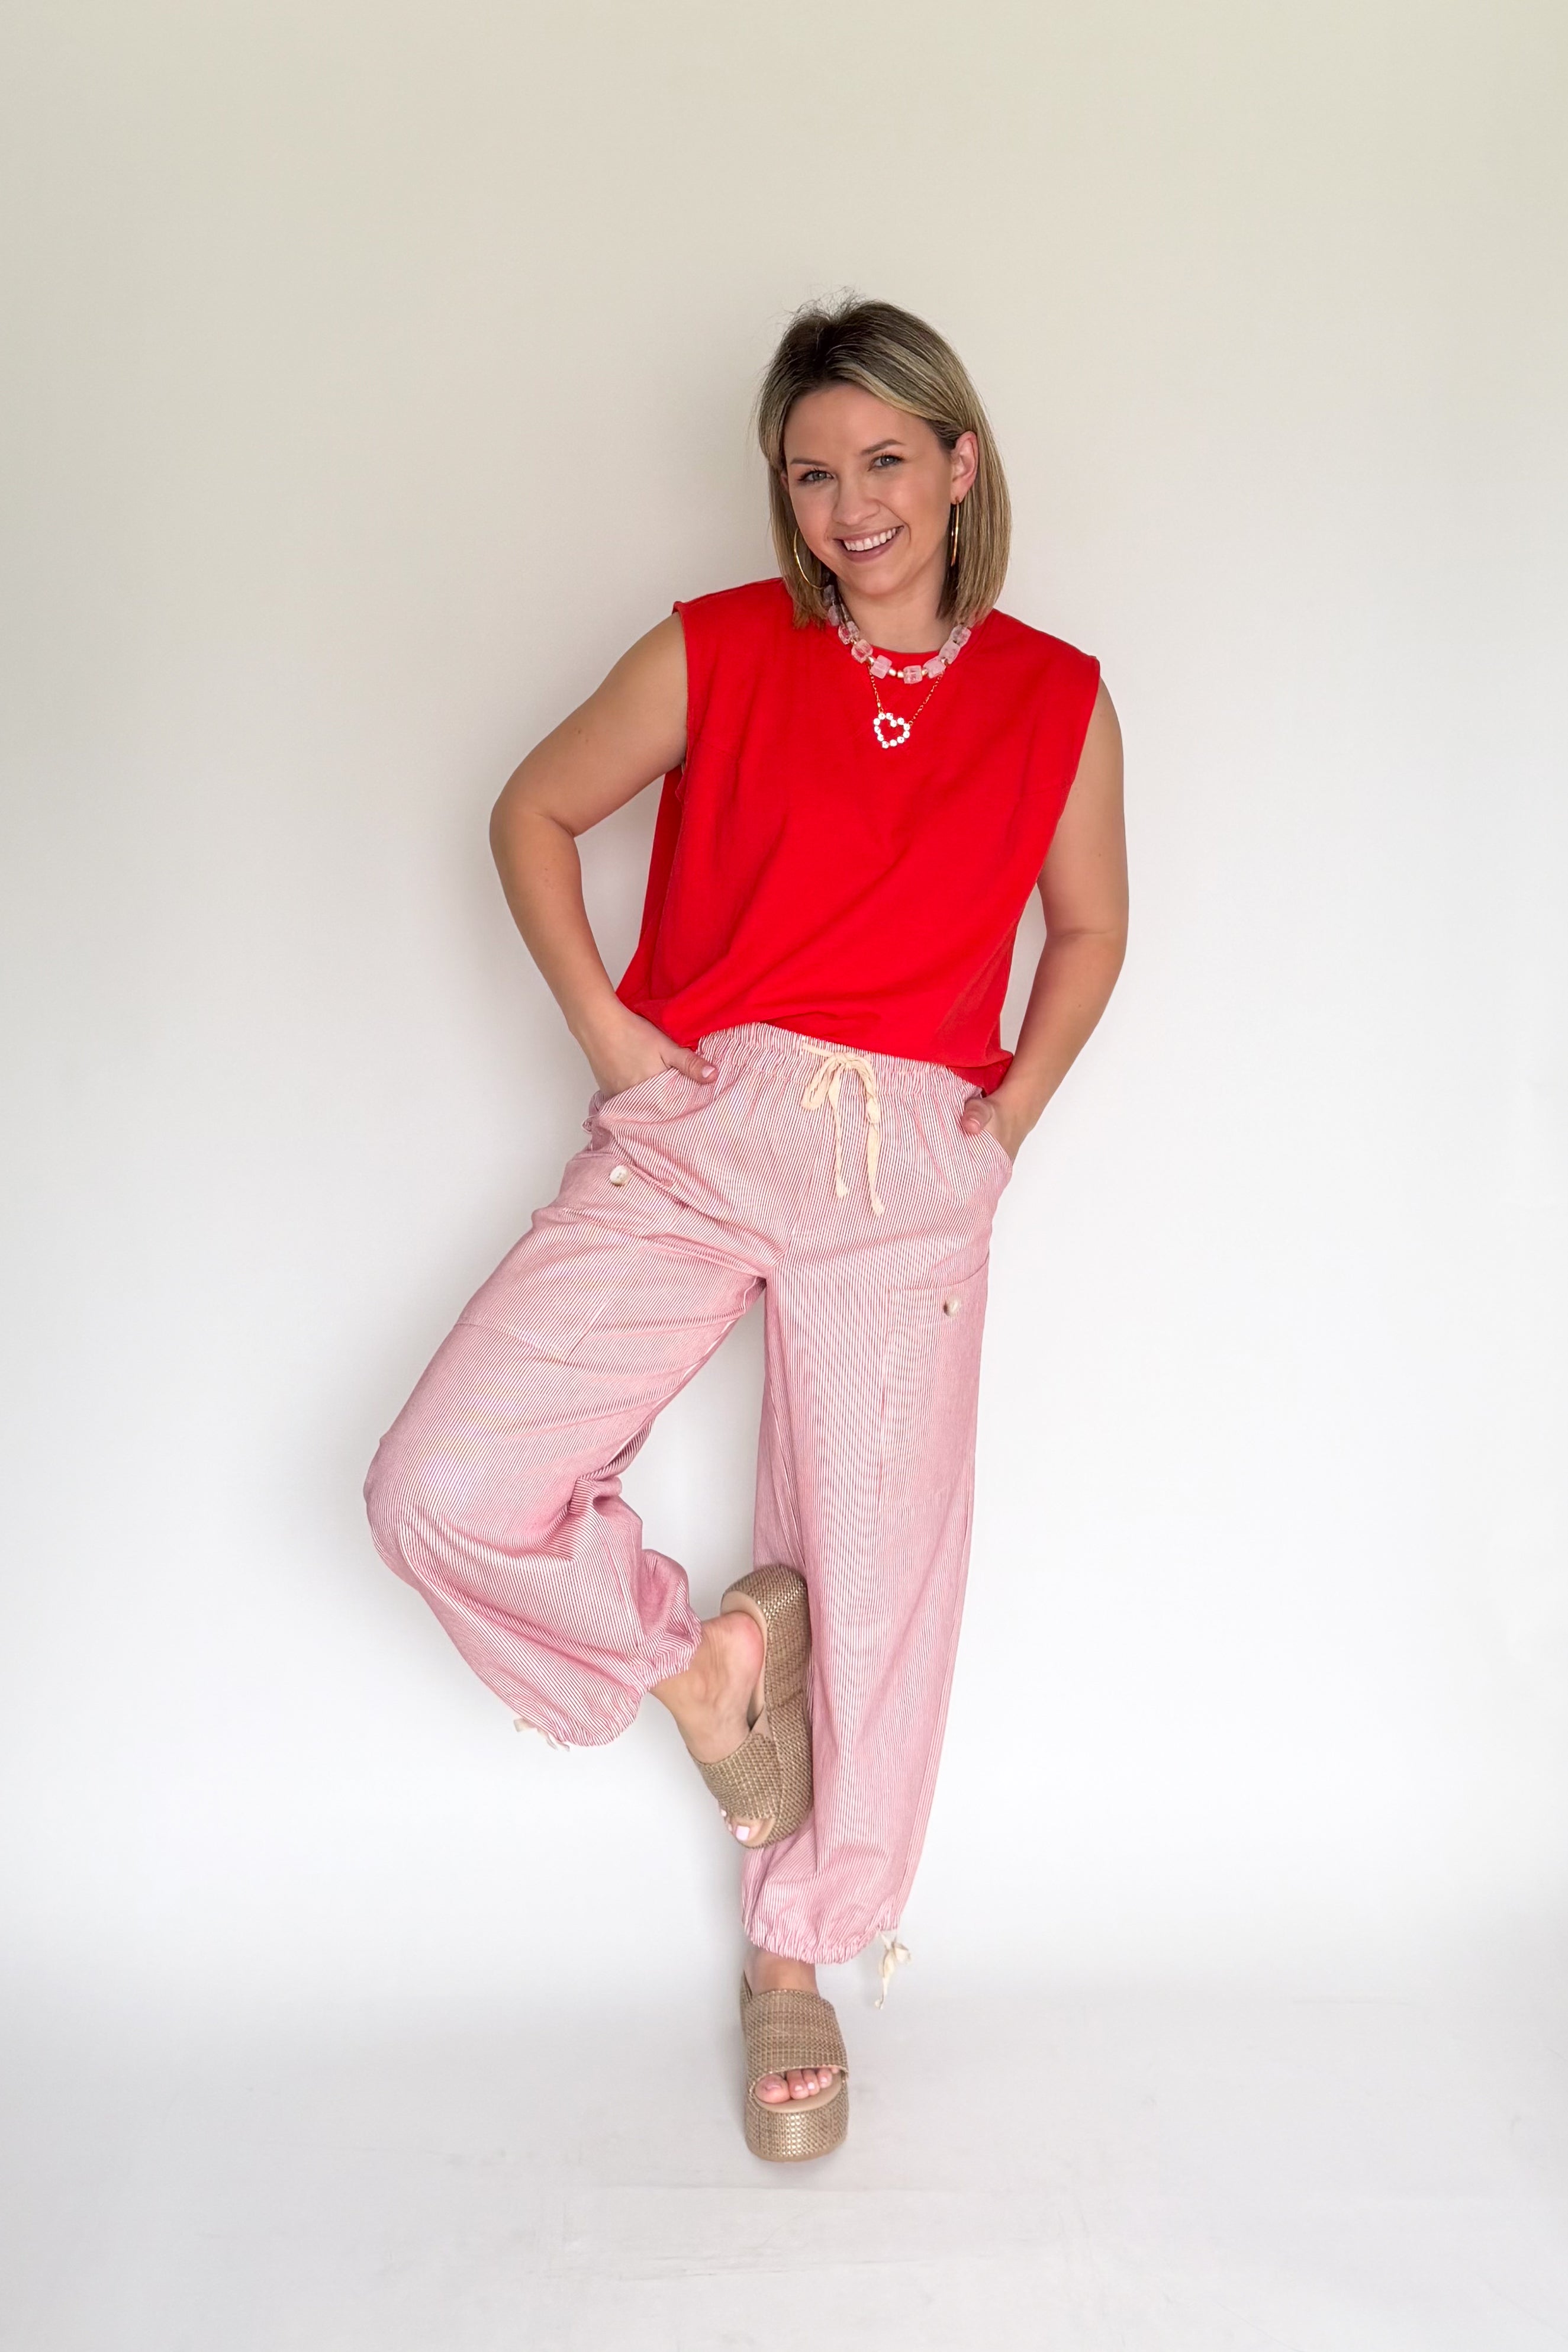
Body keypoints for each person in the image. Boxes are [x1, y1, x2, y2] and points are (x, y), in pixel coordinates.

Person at [364, 295, 1126, 2162]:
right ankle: (693, 1666)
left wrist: (1002, 1124)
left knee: (876, 1580)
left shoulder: (1055, 695)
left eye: (886, 461)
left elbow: (1090, 926)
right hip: (709, 1120)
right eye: (810, 474)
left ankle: (798, 1954)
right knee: (442, 1485)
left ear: (961, 465)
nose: (851, 506)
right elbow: (532, 811)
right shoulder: (714, 648)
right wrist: (611, 1038)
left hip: (911, 1166)